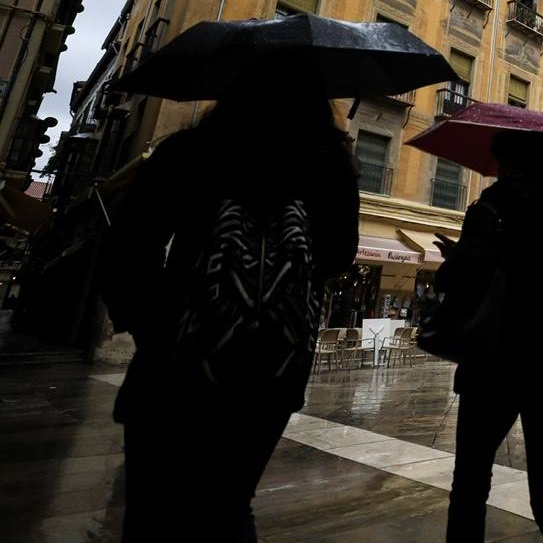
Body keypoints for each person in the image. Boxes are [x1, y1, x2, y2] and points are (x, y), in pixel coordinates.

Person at [100, 56, 360, 542]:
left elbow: (126, 252)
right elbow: (338, 257)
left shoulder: (190, 151)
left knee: (152, 509)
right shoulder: (331, 165)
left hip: (176, 356)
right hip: (275, 364)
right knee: (229, 505)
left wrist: (154, 329)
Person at [439, 131, 543, 542]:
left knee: (470, 487)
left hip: (497, 361)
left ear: (510, 161)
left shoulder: (493, 204)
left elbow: (463, 281)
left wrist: (453, 260)